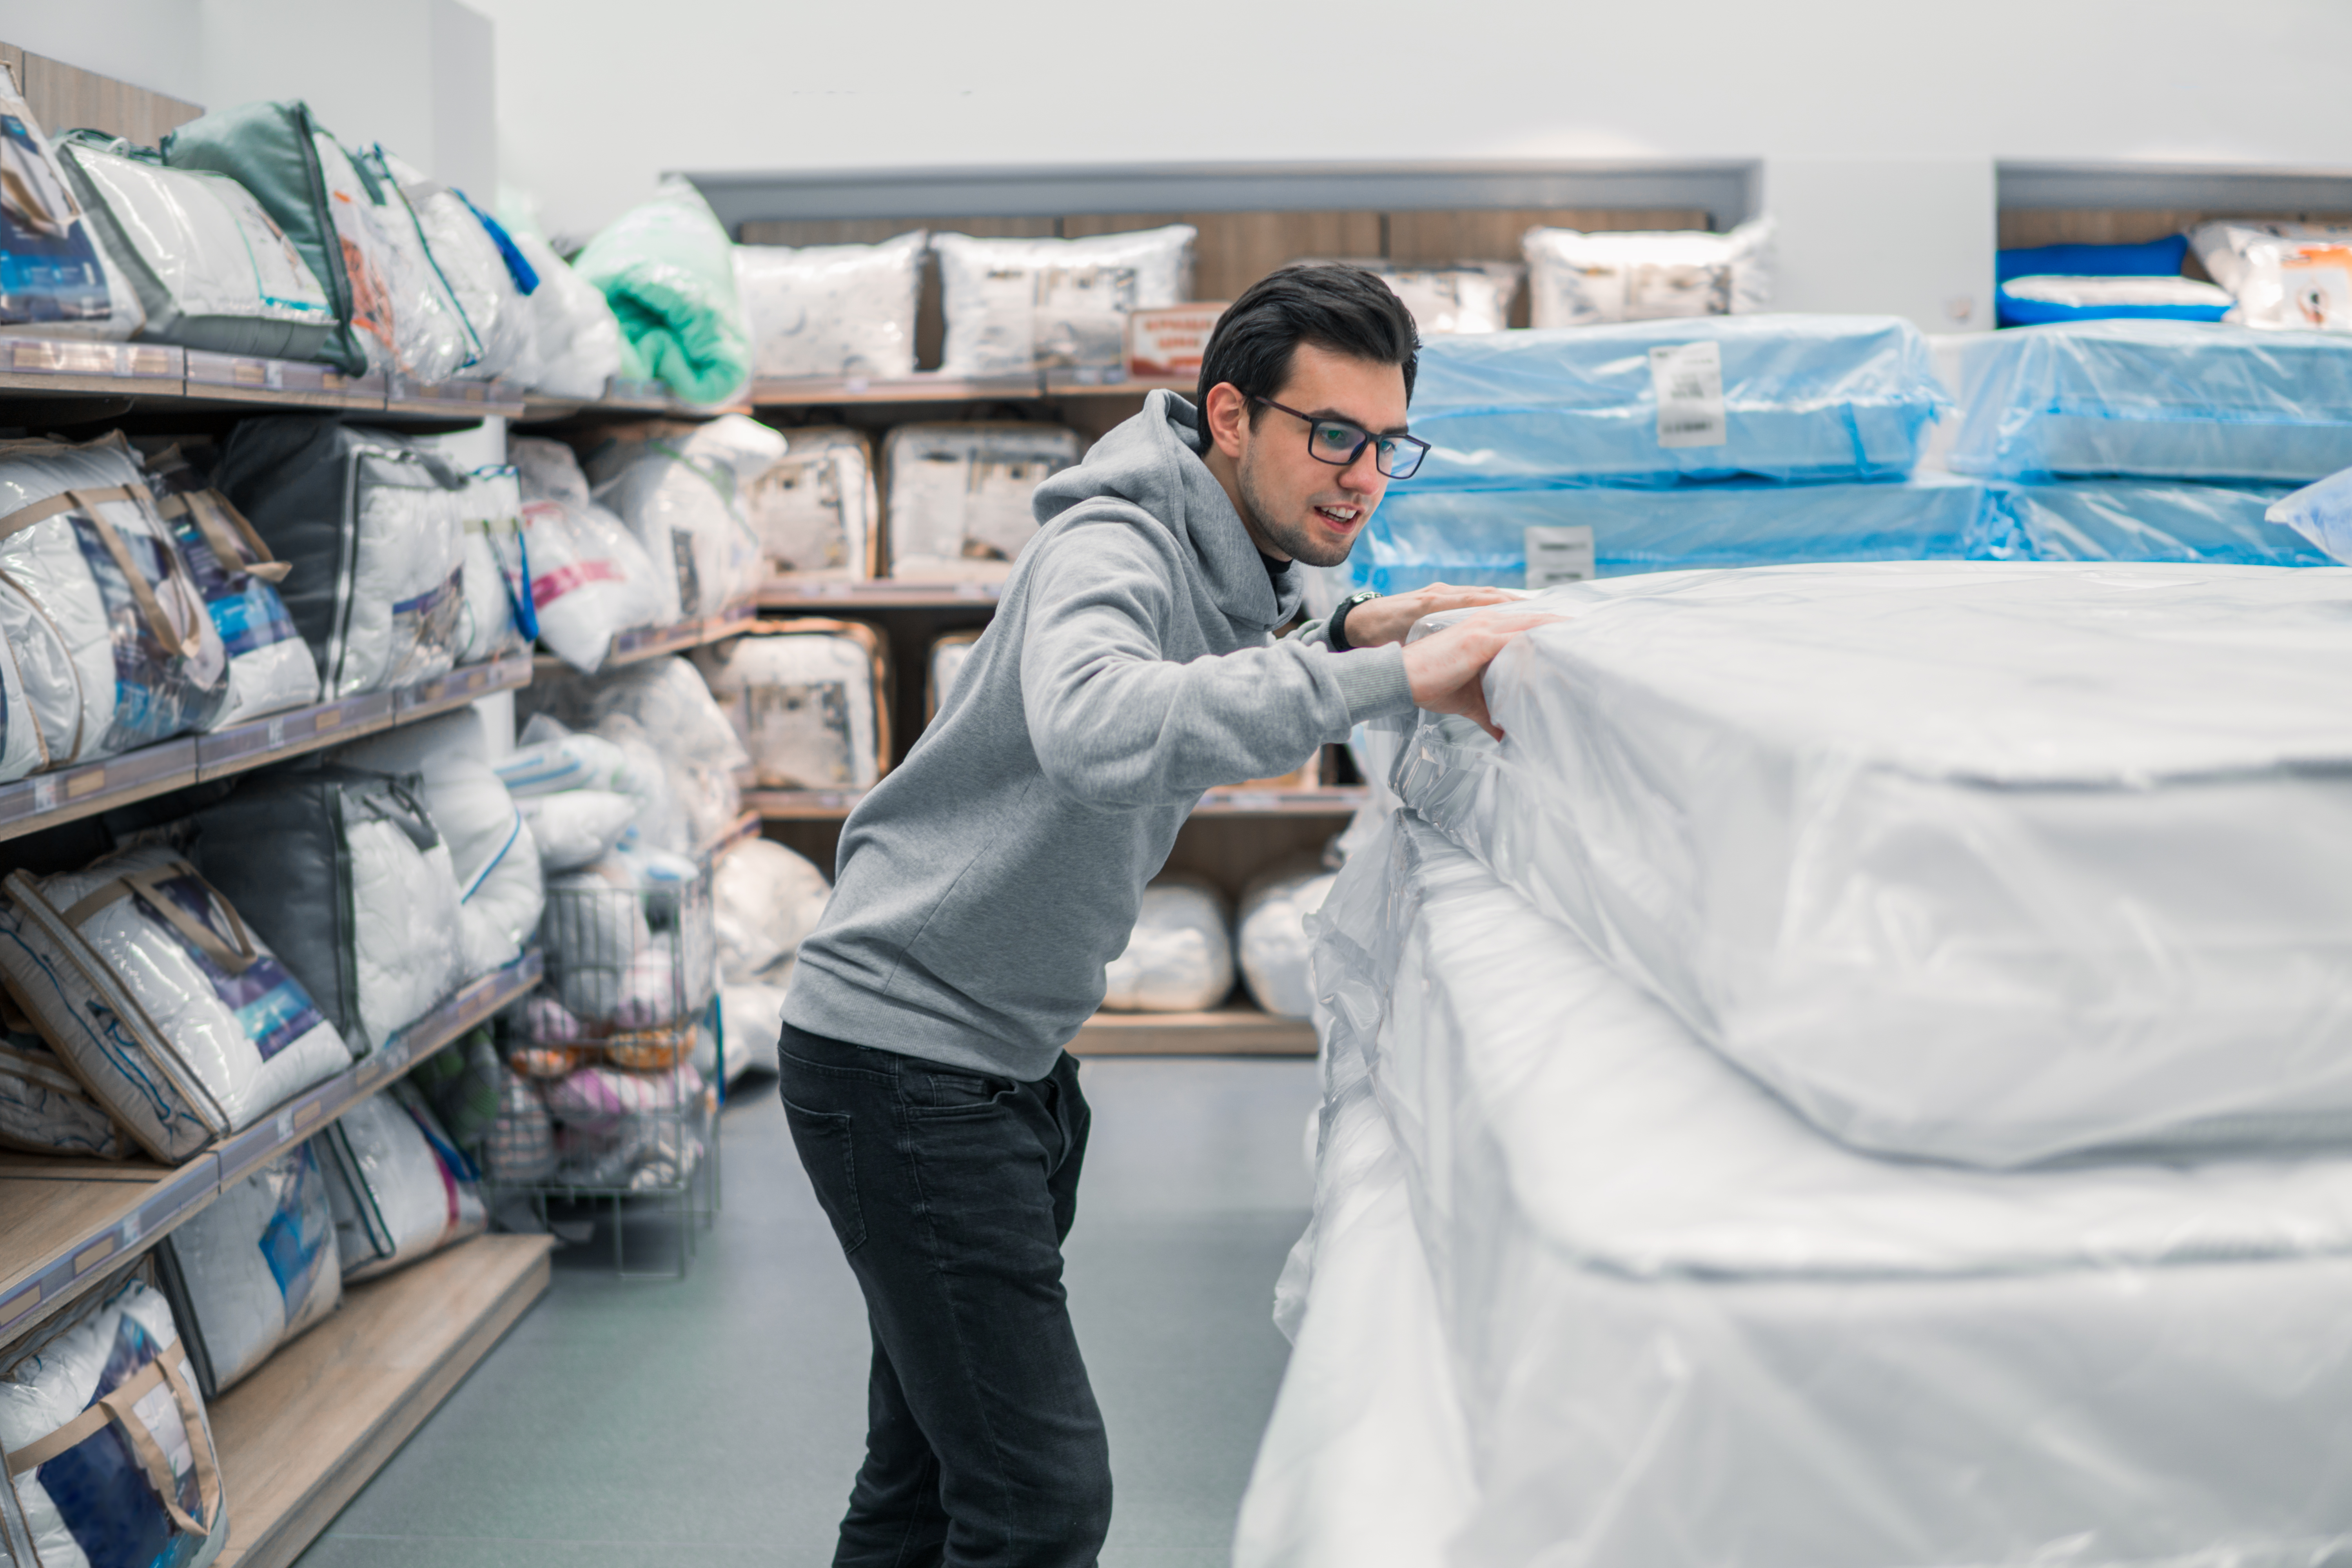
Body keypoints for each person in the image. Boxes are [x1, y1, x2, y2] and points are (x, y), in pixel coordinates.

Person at [778, 262, 1551, 1567]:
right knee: (1038, 1498)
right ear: (1234, 418)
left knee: (924, 1480)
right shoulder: (1114, 538)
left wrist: (1359, 625)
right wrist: (1383, 677)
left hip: (999, 1065)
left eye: (1387, 444)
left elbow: (1230, 650)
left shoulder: (1229, 547)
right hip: (910, 1063)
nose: (1363, 476)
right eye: (1335, 437)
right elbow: (1099, 724)